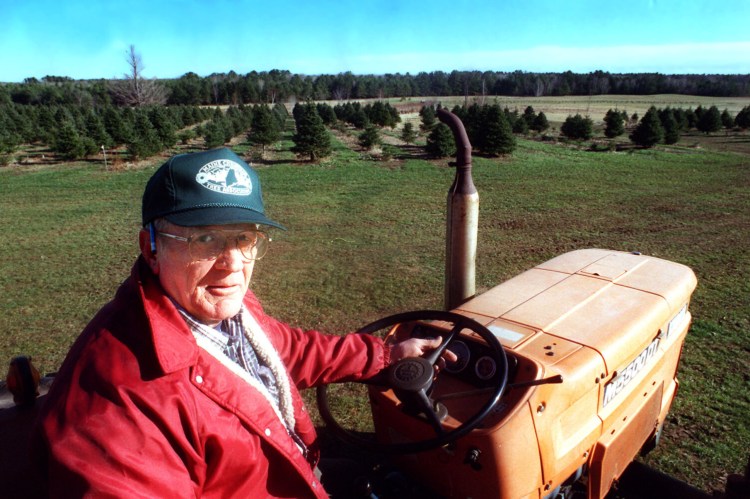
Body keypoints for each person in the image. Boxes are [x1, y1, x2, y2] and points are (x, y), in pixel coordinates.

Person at [32, 147, 451, 498]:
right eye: (205, 239)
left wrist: (385, 355)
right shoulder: (117, 404)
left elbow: (285, 350)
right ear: (151, 247)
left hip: (299, 472)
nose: (232, 264)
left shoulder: (222, 308)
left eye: (244, 237)